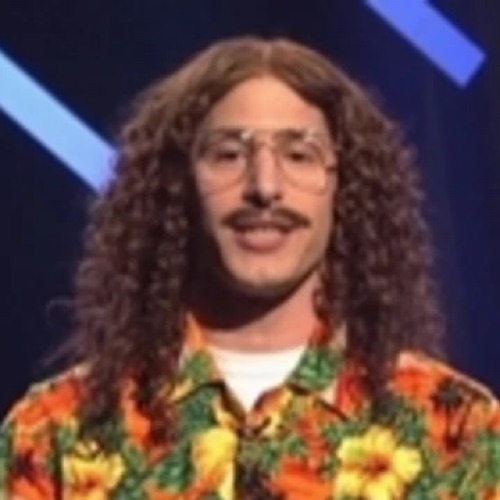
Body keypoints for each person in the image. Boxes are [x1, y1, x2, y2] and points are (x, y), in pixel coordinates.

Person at [1, 36, 499, 500]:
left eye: (299, 155)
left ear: (345, 189)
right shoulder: (54, 432)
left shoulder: (457, 432)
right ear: (178, 188)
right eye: (228, 155)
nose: (264, 187)